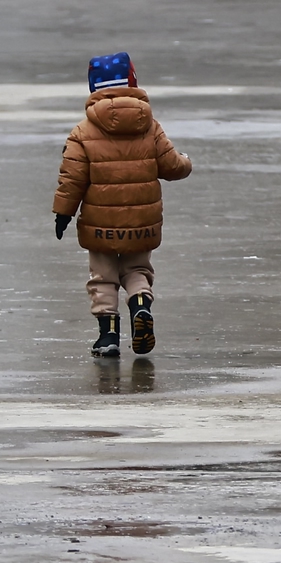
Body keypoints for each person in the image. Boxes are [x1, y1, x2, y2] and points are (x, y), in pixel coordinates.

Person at [52, 51, 193, 359]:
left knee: (103, 277)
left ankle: (108, 336)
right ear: (132, 82)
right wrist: (186, 161)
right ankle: (140, 305)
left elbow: (72, 179)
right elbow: (172, 166)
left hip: (99, 225)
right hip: (142, 221)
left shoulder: (82, 132)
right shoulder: (150, 126)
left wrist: (63, 213)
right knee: (137, 269)